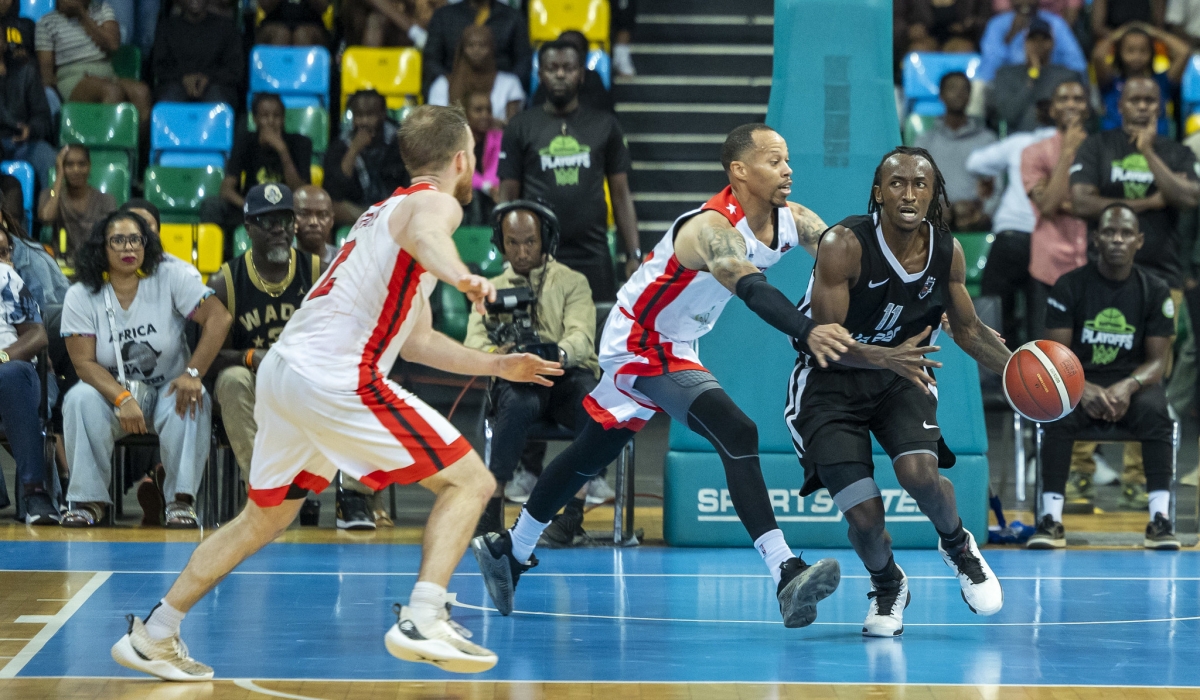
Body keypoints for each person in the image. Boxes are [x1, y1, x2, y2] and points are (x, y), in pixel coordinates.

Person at [110, 105, 562, 678]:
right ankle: (425, 614)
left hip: (285, 374)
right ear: (463, 160)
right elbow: (432, 235)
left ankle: (156, 632)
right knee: (470, 480)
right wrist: (463, 276)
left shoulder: (379, 216)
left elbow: (418, 341)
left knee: (262, 520)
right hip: (333, 375)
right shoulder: (434, 204)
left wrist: (497, 365)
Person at [473, 123, 854, 627]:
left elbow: (844, 257)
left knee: (592, 451)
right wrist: (806, 329)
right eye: (774, 161)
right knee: (737, 430)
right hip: (638, 340)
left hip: (676, 342)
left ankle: (510, 549)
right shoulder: (711, 229)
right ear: (739, 171)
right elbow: (751, 287)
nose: (788, 170)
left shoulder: (793, 220)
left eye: (787, 161)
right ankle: (785, 570)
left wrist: (909, 299)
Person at [788, 146, 1007, 636]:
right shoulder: (843, 243)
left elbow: (969, 332)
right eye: (898, 183)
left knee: (919, 473)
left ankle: (957, 544)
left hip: (899, 379)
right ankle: (888, 585)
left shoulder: (947, 250)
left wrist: (1021, 373)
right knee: (865, 519)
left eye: (920, 184)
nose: (909, 193)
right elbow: (825, 341)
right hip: (829, 385)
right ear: (878, 192)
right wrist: (885, 354)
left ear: (933, 193)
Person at [1070, 75, 1199, 508]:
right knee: (1088, 364)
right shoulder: (1097, 146)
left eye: (1150, 100)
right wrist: (1144, 205)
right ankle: (1080, 472)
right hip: (1100, 276)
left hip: (1161, 277)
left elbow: (1187, 196)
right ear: (1119, 105)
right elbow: (1080, 202)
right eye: (1134, 100)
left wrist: (1147, 152)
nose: (1142, 107)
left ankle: (1137, 477)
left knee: (1149, 374)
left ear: (1160, 108)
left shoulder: (1176, 151)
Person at [58, 211, 233, 527]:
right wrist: (123, 398)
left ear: (147, 244)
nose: (129, 248)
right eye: (118, 240)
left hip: (168, 388)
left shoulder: (171, 276)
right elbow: (84, 362)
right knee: (79, 399)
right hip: (113, 393)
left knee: (194, 399)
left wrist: (193, 373)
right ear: (102, 247)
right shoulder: (81, 294)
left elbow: (219, 318)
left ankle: (181, 502)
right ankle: (88, 502)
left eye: (135, 240)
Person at [1030, 203, 1180, 550]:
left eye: (1126, 233)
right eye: (1109, 232)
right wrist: (1083, 390)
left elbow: (1158, 363)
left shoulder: (1155, 289)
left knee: (1157, 411)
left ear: (1139, 241)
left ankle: (1160, 519)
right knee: (1057, 410)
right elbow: (1054, 357)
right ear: (1095, 239)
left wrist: (1128, 386)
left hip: (1132, 387)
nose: (1117, 239)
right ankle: (1050, 519)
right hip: (1077, 383)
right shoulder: (1068, 286)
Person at [464, 200, 600, 542]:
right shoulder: (489, 289)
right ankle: (492, 511)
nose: (522, 251)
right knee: (517, 405)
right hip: (519, 377)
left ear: (546, 240)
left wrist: (556, 354)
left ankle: (572, 515)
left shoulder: (573, 282)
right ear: (500, 242)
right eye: (513, 243)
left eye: (530, 242)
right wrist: (499, 356)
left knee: (592, 404)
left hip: (566, 374)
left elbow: (581, 336)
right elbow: (473, 342)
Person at [499, 40, 639, 302]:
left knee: (595, 334)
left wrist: (633, 254)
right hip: (536, 253)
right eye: (552, 68)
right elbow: (508, 196)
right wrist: (508, 254)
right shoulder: (520, 126)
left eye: (568, 67)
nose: (560, 74)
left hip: (593, 253)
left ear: (582, 74)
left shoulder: (605, 125)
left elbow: (621, 194)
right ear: (540, 74)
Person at [967, 107, 1057, 346]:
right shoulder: (1072, 148)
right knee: (1039, 318)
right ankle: (1037, 371)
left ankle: (993, 367)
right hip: (1048, 240)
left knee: (993, 304)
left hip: (1012, 235)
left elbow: (974, 163)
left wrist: (988, 177)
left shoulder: (1020, 142)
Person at [1022, 78, 1091, 338]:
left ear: (1087, 107)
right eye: (1063, 99)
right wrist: (1068, 150)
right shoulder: (1033, 153)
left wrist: (1065, 202)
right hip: (1049, 266)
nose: (1071, 104)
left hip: (1094, 262)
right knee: (1047, 351)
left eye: (1078, 99)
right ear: (1052, 109)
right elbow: (1049, 205)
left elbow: (1107, 205)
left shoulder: (1101, 150)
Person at [203, 93, 311, 252]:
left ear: (283, 118)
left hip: (286, 210)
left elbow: (301, 191)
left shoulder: (300, 143)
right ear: (254, 119)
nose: (271, 121)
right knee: (211, 206)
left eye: (276, 116)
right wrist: (249, 206)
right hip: (250, 209)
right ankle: (220, 261)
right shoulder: (246, 141)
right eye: (265, 116)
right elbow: (226, 190)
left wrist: (282, 151)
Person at [0, 226, 56, 524]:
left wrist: (2, 357)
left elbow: (37, 336)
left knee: (10, 374)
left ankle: (35, 492)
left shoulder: (6, 277)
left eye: (3, 252)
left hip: (9, 371)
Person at [34, 0, 151, 123]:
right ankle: (104, 141)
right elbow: (46, 73)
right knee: (111, 91)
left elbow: (113, 45)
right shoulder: (46, 22)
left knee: (142, 92)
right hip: (72, 80)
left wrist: (82, 15)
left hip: (107, 74)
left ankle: (131, 141)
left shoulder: (102, 10)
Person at [914, 71, 997, 231]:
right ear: (941, 95)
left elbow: (994, 189)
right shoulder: (924, 141)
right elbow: (915, 186)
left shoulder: (987, 140)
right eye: (952, 88)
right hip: (933, 220)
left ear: (970, 96)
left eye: (964, 89)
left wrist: (983, 214)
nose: (959, 93)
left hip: (974, 218)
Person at [322, 90, 408, 227]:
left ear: (383, 114)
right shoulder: (341, 145)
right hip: (357, 211)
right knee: (329, 206)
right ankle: (372, 220)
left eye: (370, 114)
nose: (364, 122)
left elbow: (408, 185)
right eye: (359, 115)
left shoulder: (400, 142)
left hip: (393, 208)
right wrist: (354, 150)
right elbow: (334, 192)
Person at [986, 18, 1086, 134]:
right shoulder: (1006, 74)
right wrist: (1032, 76)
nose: (1039, 44)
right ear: (1025, 43)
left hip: (1055, 138)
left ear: (1052, 43)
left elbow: (1076, 115)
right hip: (1016, 141)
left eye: (1044, 39)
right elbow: (1007, 116)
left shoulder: (1066, 75)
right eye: (1033, 39)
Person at [1093, 23, 1189, 134]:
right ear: (1119, 52)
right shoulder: (1110, 82)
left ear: (1152, 53)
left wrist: (1155, 32)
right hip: (1114, 145)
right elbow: (1098, 56)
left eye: (1143, 51)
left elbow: (1184, 52)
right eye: (1130, 50)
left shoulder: (1161, 82)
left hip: (1158, 144)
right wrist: (1118, 34)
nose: (1137, 56)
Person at [422, 0, 531, 92]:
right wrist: (451, 84)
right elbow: (431, 60)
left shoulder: (512, 17)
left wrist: (503, 89)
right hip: (452, 89)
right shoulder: (443, 16)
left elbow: (523, 61)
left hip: (499, 92)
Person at [150, 0, 243, 105]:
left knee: (218, 102)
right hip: (175, 85)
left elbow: (235, 68)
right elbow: (160, 67)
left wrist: (208, 78)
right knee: (168, 101)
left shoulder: (226, 28)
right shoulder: (167, 28)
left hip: (216, 86)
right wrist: (183, 79)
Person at [427, 25, 524, 123]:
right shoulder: (442, 85)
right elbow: (437, 125)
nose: (476, 50)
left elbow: (512, 126)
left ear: (492, 48)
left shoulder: (510, 84)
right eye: (470, 45)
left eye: (482, 45)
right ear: (462, 49)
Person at [36, 145, 117, 262]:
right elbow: (46, 219)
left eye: (82, 164)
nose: (76, 170)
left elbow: (113, 238)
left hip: (95, 266)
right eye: (69, 165)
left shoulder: (106, 200)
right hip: (62, 266)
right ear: (62, 168)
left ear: (89, 166)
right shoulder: (50, 195)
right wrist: (59, 177)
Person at [978, 0, 1087, 82]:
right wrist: (1010, 36)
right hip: (1008, 84)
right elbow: (988, 71)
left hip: (1049, 81)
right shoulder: (997, 25)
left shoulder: (1055, 23)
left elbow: (1077, 65)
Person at [0, 28, 54, 190]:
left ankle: (47, 213)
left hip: (23, 143)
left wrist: (30, 130)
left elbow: (43, 118)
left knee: (49, 159)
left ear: (4, 43)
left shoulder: (26, 71)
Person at [530, 30, 615, 115]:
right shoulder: (548, 82)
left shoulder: (593, 78)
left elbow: (604, 113)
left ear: (584, 55)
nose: (560, 75)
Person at [894, 0, 992, 56]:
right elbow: (895, 18)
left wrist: (971, 24)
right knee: (918, 51)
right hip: (922, 38)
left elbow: (987, 20)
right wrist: (908, 30)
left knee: (963, 50)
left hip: (962, 37)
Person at [343, 0, 441, 49]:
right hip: (368, 36)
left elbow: (442, 16)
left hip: (416, 39)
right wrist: (409, 27)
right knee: (375, 19)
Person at [293, 185, 337, 264]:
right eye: (304, 214)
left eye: (322, 215)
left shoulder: (345, 262)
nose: (313, 222)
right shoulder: (282, 261)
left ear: (332, 220)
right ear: (292, 218)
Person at [256, 0, 328, 46]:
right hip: (275, 22)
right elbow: (265, 6)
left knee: (302, 35)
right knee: (281, 34)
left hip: (310, 23)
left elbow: (323, 7)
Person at [1093, 0, 1165, 39]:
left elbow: (1158, 27)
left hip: (1145, 39)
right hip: (1113, 40)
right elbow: (1098, 28)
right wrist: (1121, 38)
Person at [994, 0, 1082, 25]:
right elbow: (1002, 8)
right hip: (1014, 20)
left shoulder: (1058, 26)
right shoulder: (999, 25)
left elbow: (1076, 67)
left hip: (1059, 23)